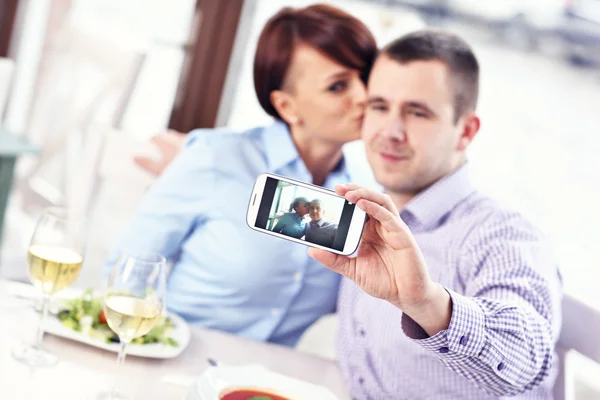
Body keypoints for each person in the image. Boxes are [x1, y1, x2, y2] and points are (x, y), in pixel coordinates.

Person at [105, 4, 377, 346]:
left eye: (367, 78)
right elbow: (126, 276)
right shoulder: (216, 159)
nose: (365, 97)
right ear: (287, 107)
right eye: (338, 86)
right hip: (173, 358)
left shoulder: (364, 194)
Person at [309, 31, 562, 398]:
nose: (390, 132)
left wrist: (427, 303)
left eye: (417, 112)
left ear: (466, 131)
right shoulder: (366, 211)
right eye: (379, 106)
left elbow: (527, 357)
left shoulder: (504, 235)